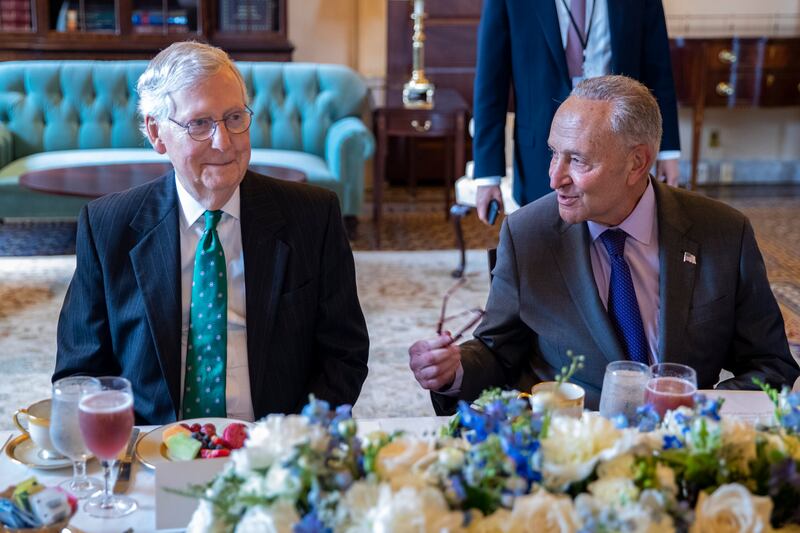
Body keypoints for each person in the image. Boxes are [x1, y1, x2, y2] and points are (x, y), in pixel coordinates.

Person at [410, 75, 798, 414]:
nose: (554, 178)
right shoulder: (528, 234)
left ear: (637, 163)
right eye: (553, 154)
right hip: (574, 449)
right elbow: (498, 350)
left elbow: (770, 366)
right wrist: (452, 369)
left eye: (577, 160)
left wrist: (692, 411)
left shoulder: (723, 232)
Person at [53, 42, 369, 424]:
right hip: (152, 447)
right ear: (157, 133)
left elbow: (344, 352)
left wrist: (297, 441)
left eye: (234, 117)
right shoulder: (108, 227)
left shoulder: (312, 216)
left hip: (276, 445)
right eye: (199, 124)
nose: (224, 142)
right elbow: (79, 374)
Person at [472, 0, 681, 224]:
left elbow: (659, 71)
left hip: (618, 144)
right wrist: (487, 175)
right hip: (540, 151)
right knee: (544, 243)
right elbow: (491, 82)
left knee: (619, 238)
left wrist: (668, 151)